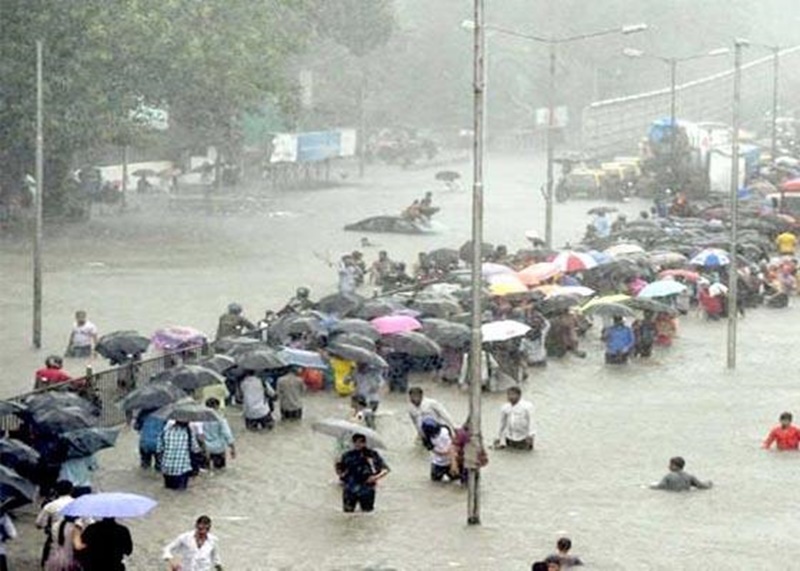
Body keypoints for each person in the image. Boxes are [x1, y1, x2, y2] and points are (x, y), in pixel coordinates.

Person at [335, 433, 390, 513]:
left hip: (366, 489)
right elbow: (341, 472)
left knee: (367, 514)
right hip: (350, 489)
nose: (358, 444)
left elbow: (385, 470)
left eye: (360, 442)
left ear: (365, 443)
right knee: (348, 514)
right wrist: (337, 467)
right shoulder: (347, 455)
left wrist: (375, 477)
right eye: (355, 442)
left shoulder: (372, 454)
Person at [36, 480, 75, 568]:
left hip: (55, 539)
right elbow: (89, 522)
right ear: (72, 490)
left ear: (56, 491)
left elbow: (39, 524)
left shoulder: (50, 506)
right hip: (74, 538)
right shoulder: (79, 504)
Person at [158, 419, 201, 490]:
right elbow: (195, 449)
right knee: (180, 493)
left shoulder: (165, 431)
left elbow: (159, 449)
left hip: (166, 468)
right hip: (182, 469)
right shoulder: (188, 433)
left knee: (168, 491)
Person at [202, 398, 236, 469]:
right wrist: (232, 448)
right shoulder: (221, 419)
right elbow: (227, 434)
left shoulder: (201, 419)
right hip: (218, 449)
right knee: (220, 471)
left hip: (205, 449)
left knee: (206, 471)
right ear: (216, 407)